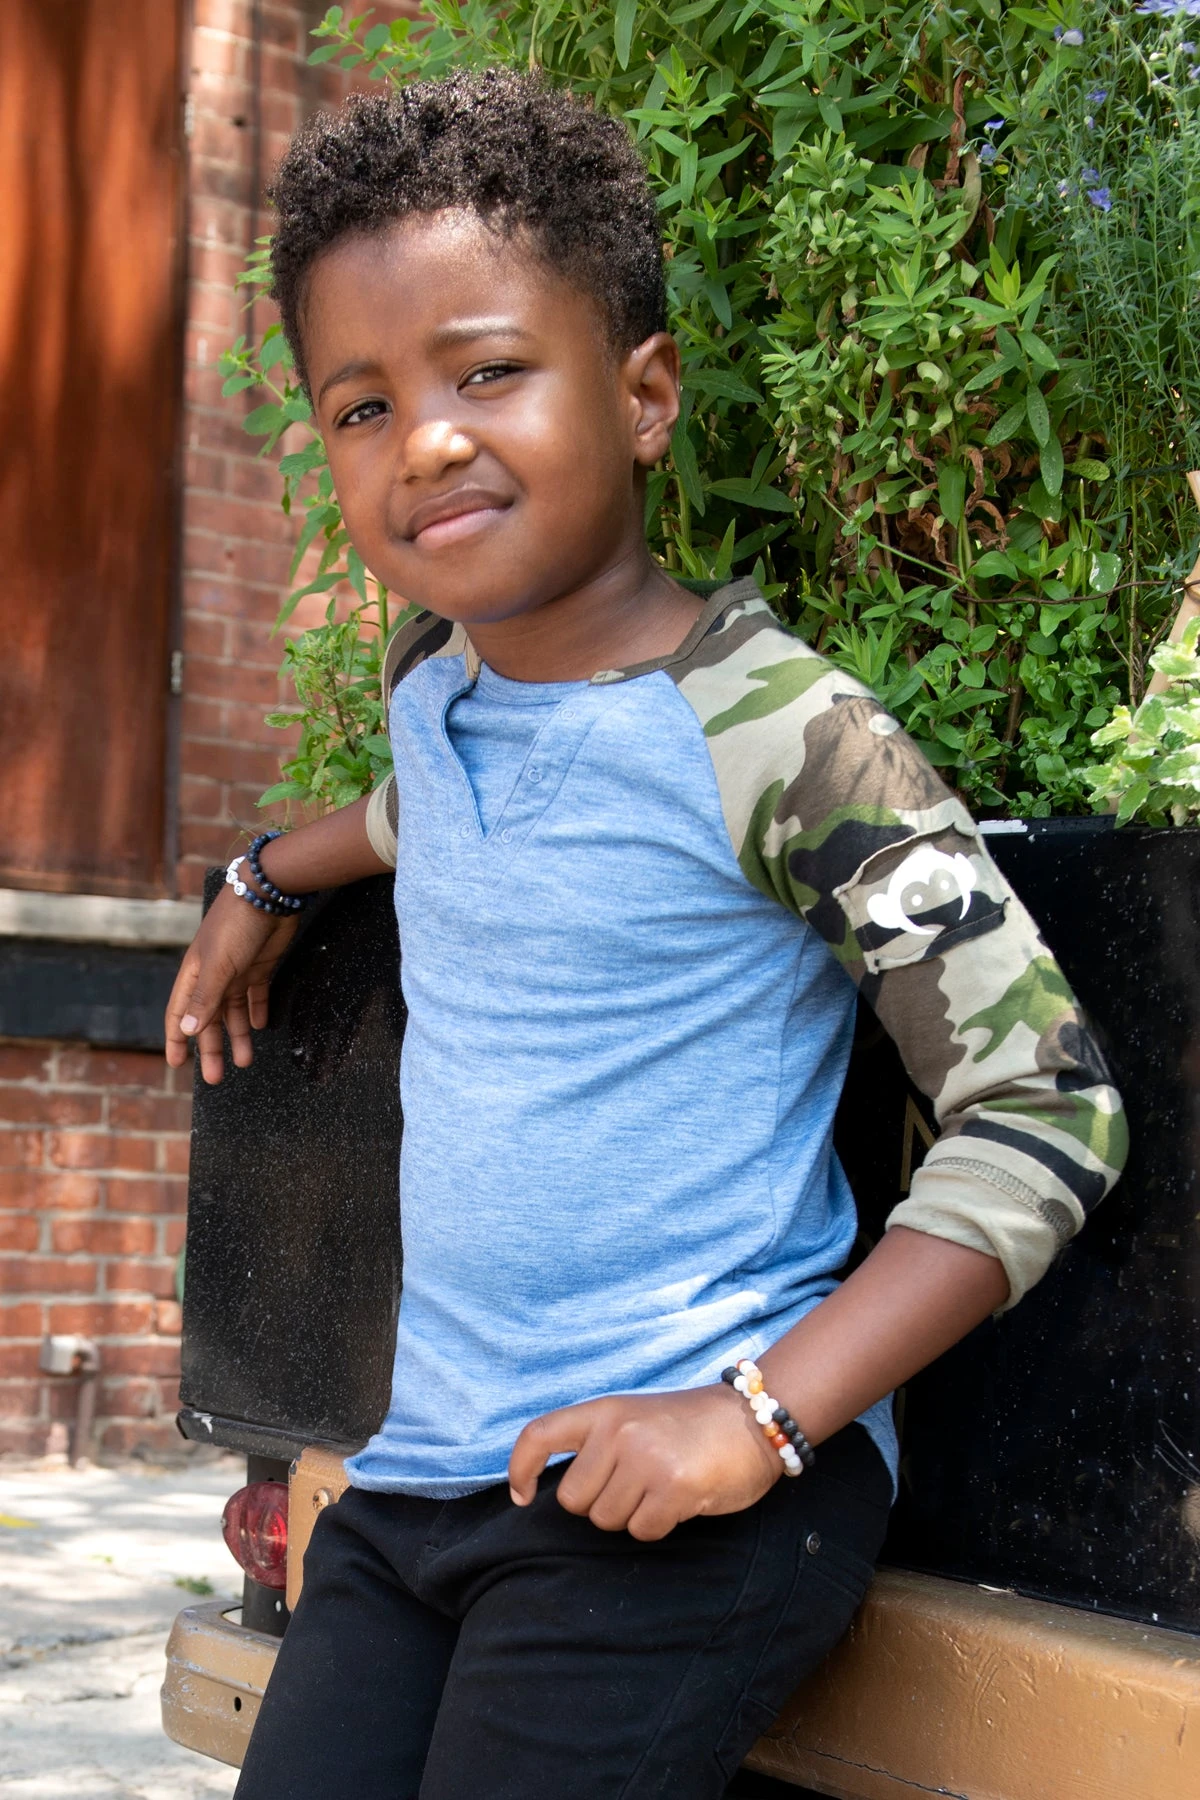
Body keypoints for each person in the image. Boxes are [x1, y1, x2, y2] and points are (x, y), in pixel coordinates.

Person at [165, 70, 1127, 1800]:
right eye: (363, 405)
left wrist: (755, 1419)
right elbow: (426, 820)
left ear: (644, 396)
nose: (426, 440)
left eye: (487, 371)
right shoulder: (435, 692)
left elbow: (1049, 1105)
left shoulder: (783, 734)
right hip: (427, 1474)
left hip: (689, 1485)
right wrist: (265, 879)